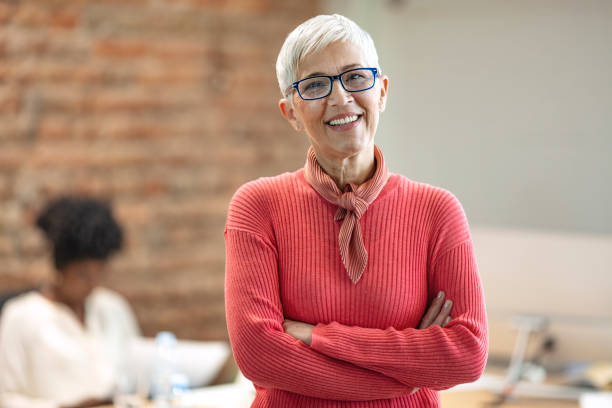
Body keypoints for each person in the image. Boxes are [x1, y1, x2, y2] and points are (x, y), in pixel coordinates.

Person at [224, 14, 488, 407]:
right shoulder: (257, 207)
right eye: (314, 85)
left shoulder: (437, 211)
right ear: (291, 112)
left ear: (381, 91)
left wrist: (317, 337)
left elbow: (467, 353)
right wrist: (408, 374)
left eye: (356, 77)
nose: (340, 98)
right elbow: (259, 356)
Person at [0, 196, 140, 408]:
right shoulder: (22, 317)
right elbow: (5, 399)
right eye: (82, 275)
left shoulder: (113, 308)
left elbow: (136, 375)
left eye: (98, 273)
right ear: (60, 269)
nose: (91, 285)